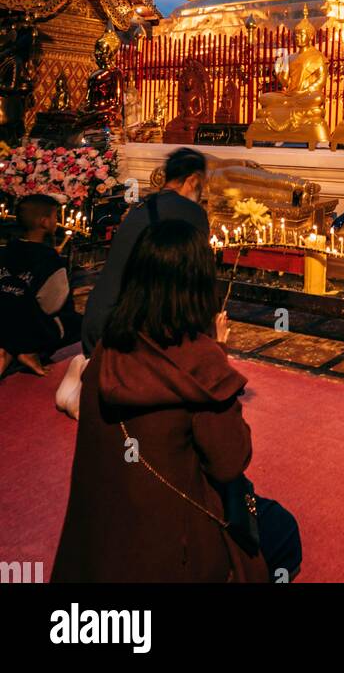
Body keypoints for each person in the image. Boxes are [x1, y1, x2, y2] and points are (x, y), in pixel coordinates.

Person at [52, 218, 301, 583]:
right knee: (281, 529)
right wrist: (217, 354)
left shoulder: (108, 350)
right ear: (200, 284)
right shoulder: (197, 362)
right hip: (175, 550)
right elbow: (231, 461)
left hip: (99, 545)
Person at [81, 146, 208, 356]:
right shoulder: (191, 212)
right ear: (193, 180)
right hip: (126, 334)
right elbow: (196, 276)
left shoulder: (141, 206)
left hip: (96, 322)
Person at [0, 194, 80, 378]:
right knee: (75, 322)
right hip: (31, 328)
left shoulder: (6, 249)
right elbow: (52, 304)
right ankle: (25, 350)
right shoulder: (49, 259)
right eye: (55, 217)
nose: (56, 221)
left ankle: (7, 349)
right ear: (44, 222)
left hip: (3, 321)